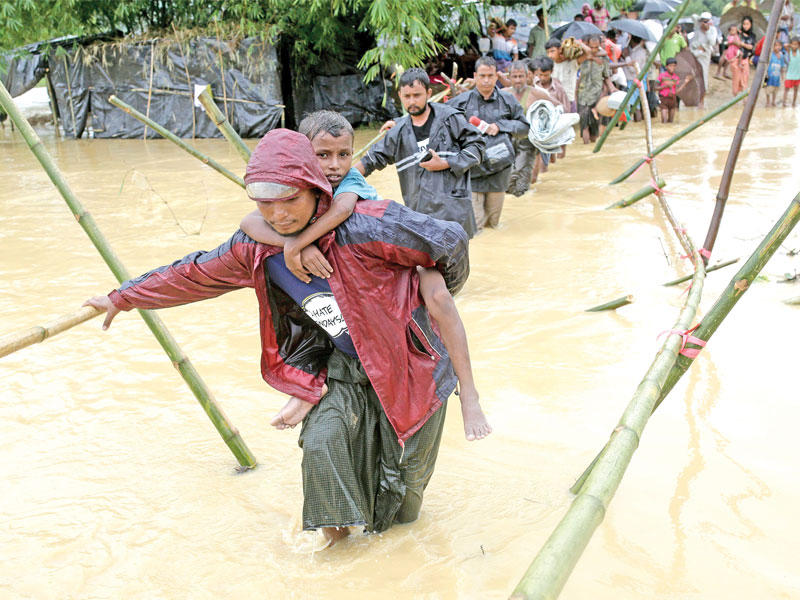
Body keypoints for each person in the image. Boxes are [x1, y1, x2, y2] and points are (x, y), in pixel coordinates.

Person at [85, 128, 473, 546]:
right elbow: (192, 274)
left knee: (400, 499)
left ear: (315, 188)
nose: (279, 214)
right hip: (340, 367)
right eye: (266, 203)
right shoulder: (256, 248)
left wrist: (428, 291)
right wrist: (122, 297)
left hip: (411, 366)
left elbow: (450, 241)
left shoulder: (367, 225)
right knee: (323, 450)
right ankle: (338, 561)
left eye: (290, 200)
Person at [357, 68, 485, 238]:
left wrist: (447, 163)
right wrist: (338, 181)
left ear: (428, 93)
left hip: (454, 214)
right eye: (407, 97)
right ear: (400, 95)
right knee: (423, 264)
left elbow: (477, 146)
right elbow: (370, 161)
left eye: (417, 95)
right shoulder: (398, 132)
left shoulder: (449, 118)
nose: (412, 101)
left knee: (455, 262)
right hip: (419, 218)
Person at [448, 56, 528, 230]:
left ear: (496, 77)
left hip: (500, 170)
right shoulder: (461, 102)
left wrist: (501, 126)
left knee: (493, 223)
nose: (486, 80)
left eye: (490, 76)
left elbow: (524, 128)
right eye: (482, 76)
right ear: (475, 76)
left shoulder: (508, 100)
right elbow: (437, 122)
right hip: (472, 171)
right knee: (476, 225)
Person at [502, 60, 554, 195]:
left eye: (521, 76)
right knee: (505, 181)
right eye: (514, 76)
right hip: (506, 142)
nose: (518, 80)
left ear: (527, 76)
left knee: (521, 180)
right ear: (509, 77)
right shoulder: (502, 94)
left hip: (527, 142)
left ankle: (523, 201)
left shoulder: (537, 94)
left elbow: (556, 110)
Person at [576, 35, 613, 143]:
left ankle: (591, 149)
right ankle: (585, 148)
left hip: (597, 95)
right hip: (582, 95)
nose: (594, 50)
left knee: (594, 128)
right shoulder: (581, 57)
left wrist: (611, 88)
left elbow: (607, 76)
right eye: (591, 47)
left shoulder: (604, 59)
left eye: (596, 47)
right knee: (584, 126)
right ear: (587, 45)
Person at [690, 12, 716, 107]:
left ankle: (701, 101)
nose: (703, 23)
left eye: (706, 21)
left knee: (703, 78)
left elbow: (712, 42)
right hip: (695, 56)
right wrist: (700, 20)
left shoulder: (712, 30)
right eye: (702, 21)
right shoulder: (697, 29)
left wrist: (707, 30)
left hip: (704, 57)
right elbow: (693, 16)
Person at [547, 39, 579, 112]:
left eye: (552, 51)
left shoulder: (572, 62)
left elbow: (588, 53)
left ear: (560, 50)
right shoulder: (549, 65)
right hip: (554, 103)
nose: (550, 55)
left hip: (569, 101)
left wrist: (576, 42)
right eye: (548, 52)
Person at [657, 57, 693, 122]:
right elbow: (655, 88)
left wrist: (685, 82)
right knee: (664, 121)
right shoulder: (661, 76)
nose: (672, 68)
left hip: (673, 100)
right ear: (666, 66)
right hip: (664, 99)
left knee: (671, 121)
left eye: (674, 66)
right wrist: (665, 86)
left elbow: (677, 91)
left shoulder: (676, 78)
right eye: (670, 66)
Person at [730, 17, 756, 95]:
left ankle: (744, 100)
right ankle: (735, 97)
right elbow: (734, 42)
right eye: (744, 24)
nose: (745, 26)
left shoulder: (752, 36)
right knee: (736, 79)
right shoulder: (738, 33)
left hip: (745, 59)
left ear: (751, 25)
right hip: (736, 59)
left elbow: (751, 47)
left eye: (747, 24)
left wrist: (742, 44)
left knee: (745, 79)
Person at [765, 40, 787, 107]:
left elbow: (782, 66)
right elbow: (766, 65)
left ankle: (773, 101)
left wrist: (783, 76)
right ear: (773, 46)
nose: (777, 47)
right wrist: (765, 74)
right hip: (769, 76)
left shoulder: (781, 56)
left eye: (779, 46)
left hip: (777, 76)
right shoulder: (770, 55)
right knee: (768, 89)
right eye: (776, 45)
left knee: (776, 89)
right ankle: (768, 101)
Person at [782, 37, 800, 108]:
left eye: (796, 45)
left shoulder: (799, 52)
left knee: (796, 90)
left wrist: (797, 45)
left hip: (797, 76)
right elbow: (785, 45)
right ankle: (784, 103)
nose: (794, 46)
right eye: (793, 44)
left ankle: (793, 103)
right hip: (789, 75)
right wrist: (791, 45)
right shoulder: (790, 52)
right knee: (786, 90)